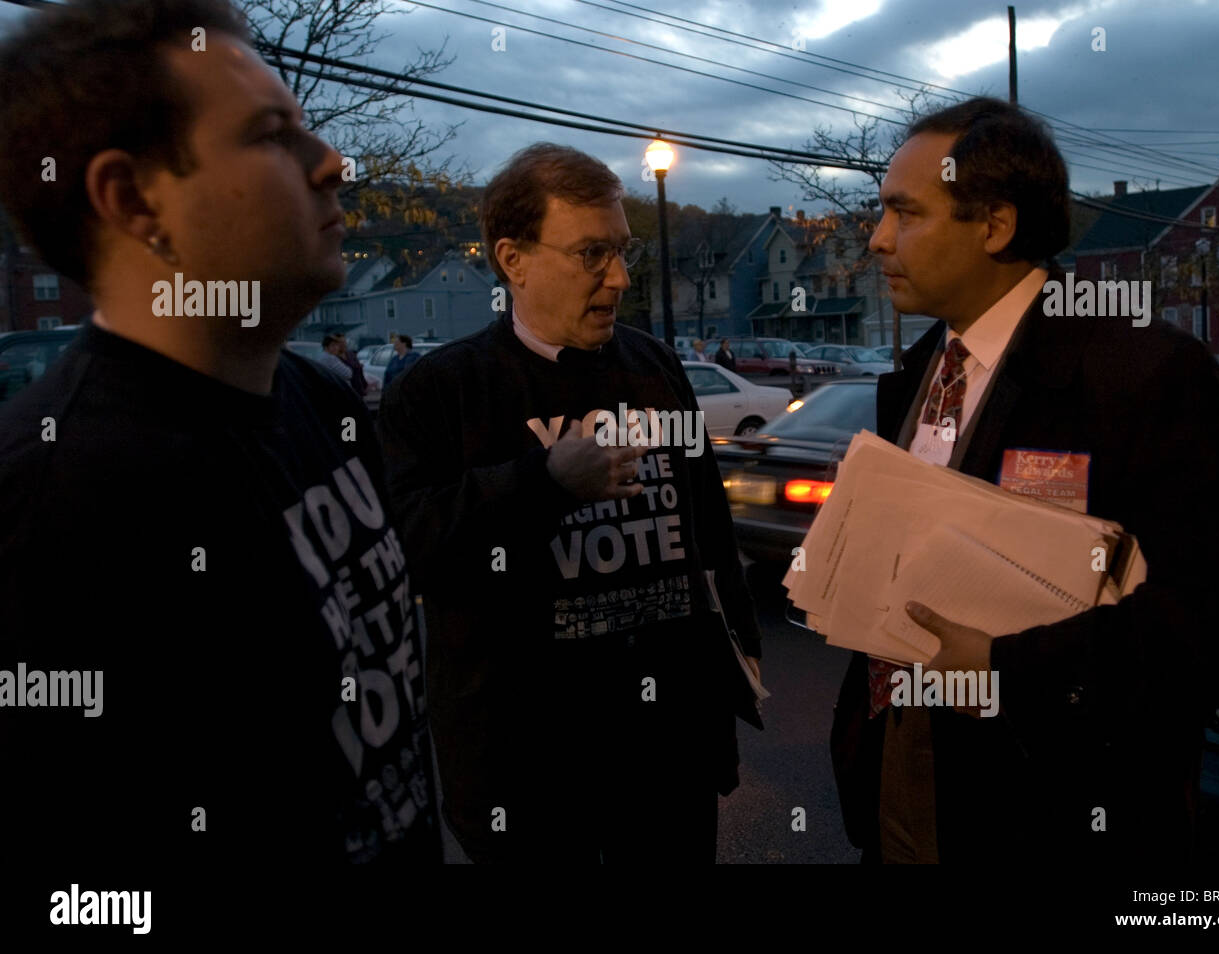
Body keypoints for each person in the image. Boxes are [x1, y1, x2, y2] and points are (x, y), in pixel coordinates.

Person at [0, 0, 440, 884]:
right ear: (132, 199)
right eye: (274, 135)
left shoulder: (318, 395)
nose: (332, 164)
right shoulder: (51, 504)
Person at [830, 97, 1219, 865]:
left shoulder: (1144, 375)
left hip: (1061, 824)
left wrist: (1007, 670)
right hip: (903, 803)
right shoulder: (915, 376)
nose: (878, 240)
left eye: (904, 213)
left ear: (994, 225)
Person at [379, 142, 762, 863]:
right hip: (526, 777)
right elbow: (412, 547)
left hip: (665, 763)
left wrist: (735, 681)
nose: (619, 277)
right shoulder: (438, 392)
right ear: (512, 259)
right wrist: (545, 481)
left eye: (623, 250)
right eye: (591, 254)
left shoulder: (654, 367)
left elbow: (707, 536)